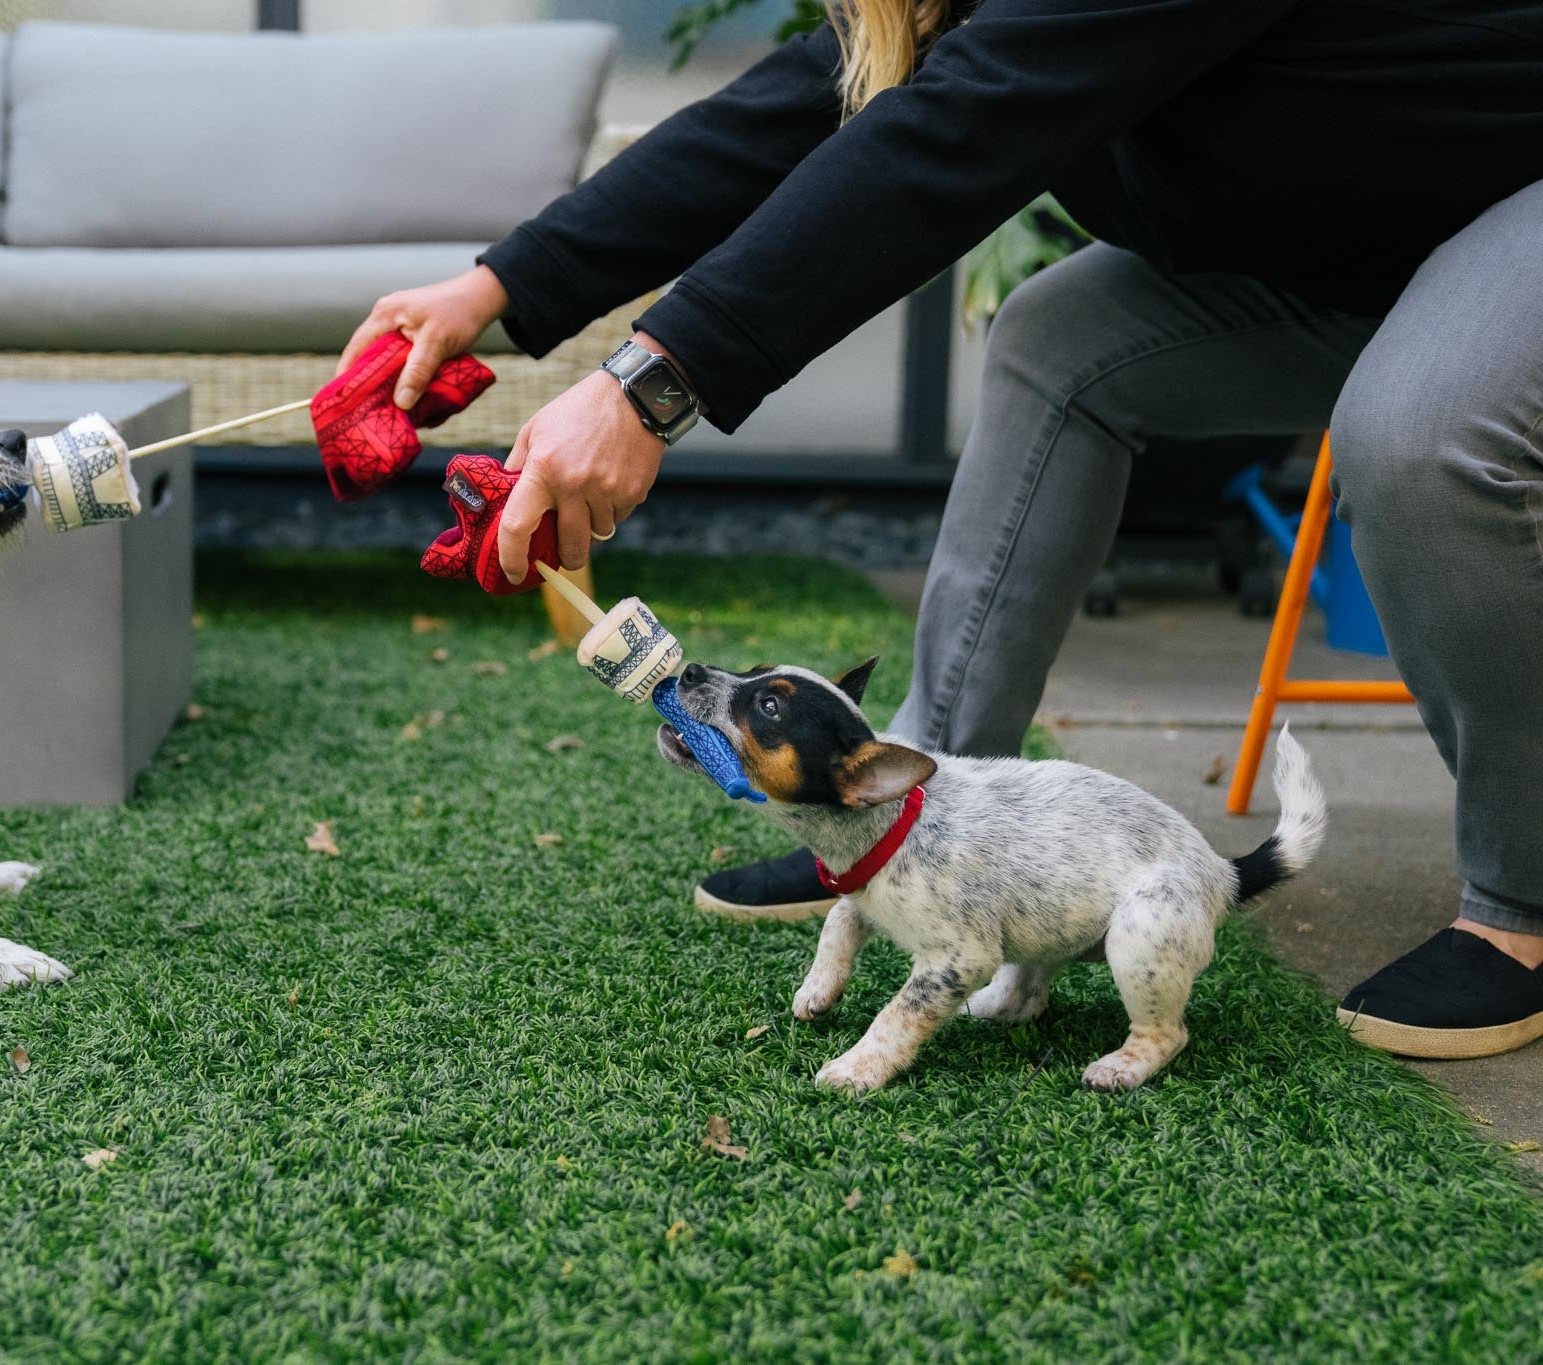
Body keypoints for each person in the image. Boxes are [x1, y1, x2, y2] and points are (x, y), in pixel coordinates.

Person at [340, 0, 1543, 1060]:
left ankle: (1518, 903)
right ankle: (896, 818)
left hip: (1509, 197)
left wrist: (651, 385)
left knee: (1420, 432)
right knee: (1057, 340)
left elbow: (965, 126)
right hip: (1360, 247)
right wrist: (499, 288)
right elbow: (803, 111)